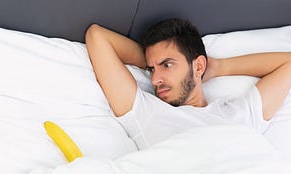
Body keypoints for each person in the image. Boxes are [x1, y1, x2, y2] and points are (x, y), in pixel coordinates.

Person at [85, 18, 291, 150]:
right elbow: (97, 36)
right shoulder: (147, 113)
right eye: (151, 70)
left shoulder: (240, 113)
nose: (155, 80)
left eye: (167, 64)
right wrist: (158, 62)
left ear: (199, 65)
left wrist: (220, 67)